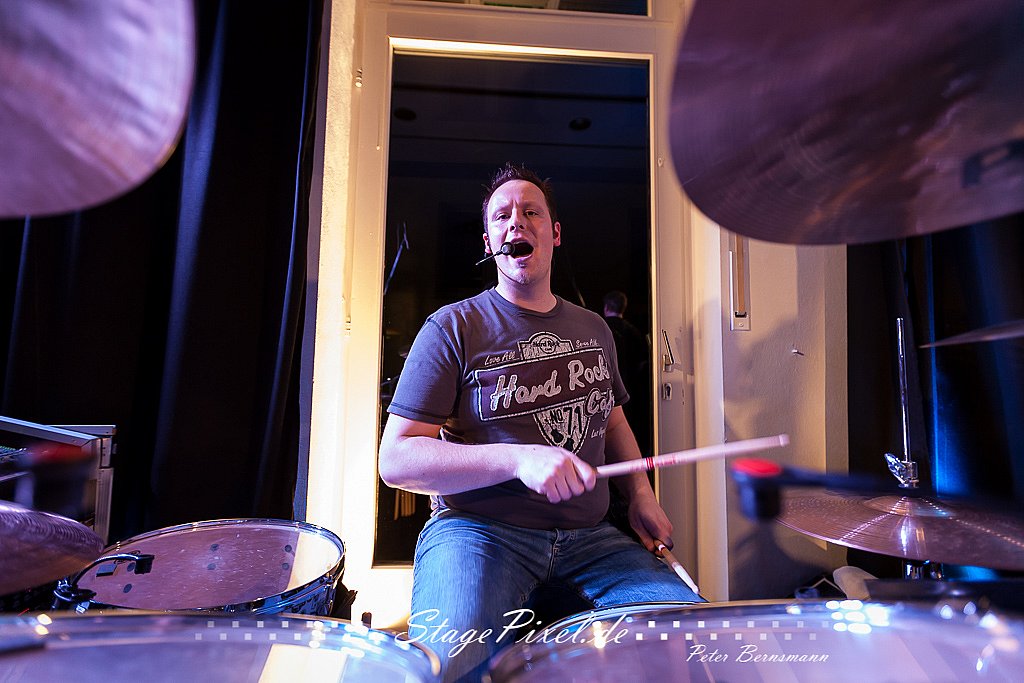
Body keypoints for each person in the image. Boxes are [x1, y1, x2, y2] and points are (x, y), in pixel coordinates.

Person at [378, 162, 701, 683]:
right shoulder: (452, 327)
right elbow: (397, 459)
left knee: (693, 642)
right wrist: (518, 459)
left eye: (531, 212)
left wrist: (641, 494)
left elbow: (612, 421)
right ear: (489, 243)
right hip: (478, 531)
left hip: (591, 537)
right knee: (450, 666)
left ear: (554, 234)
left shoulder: (593, 329)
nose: (517, 222)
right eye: (502, 216)